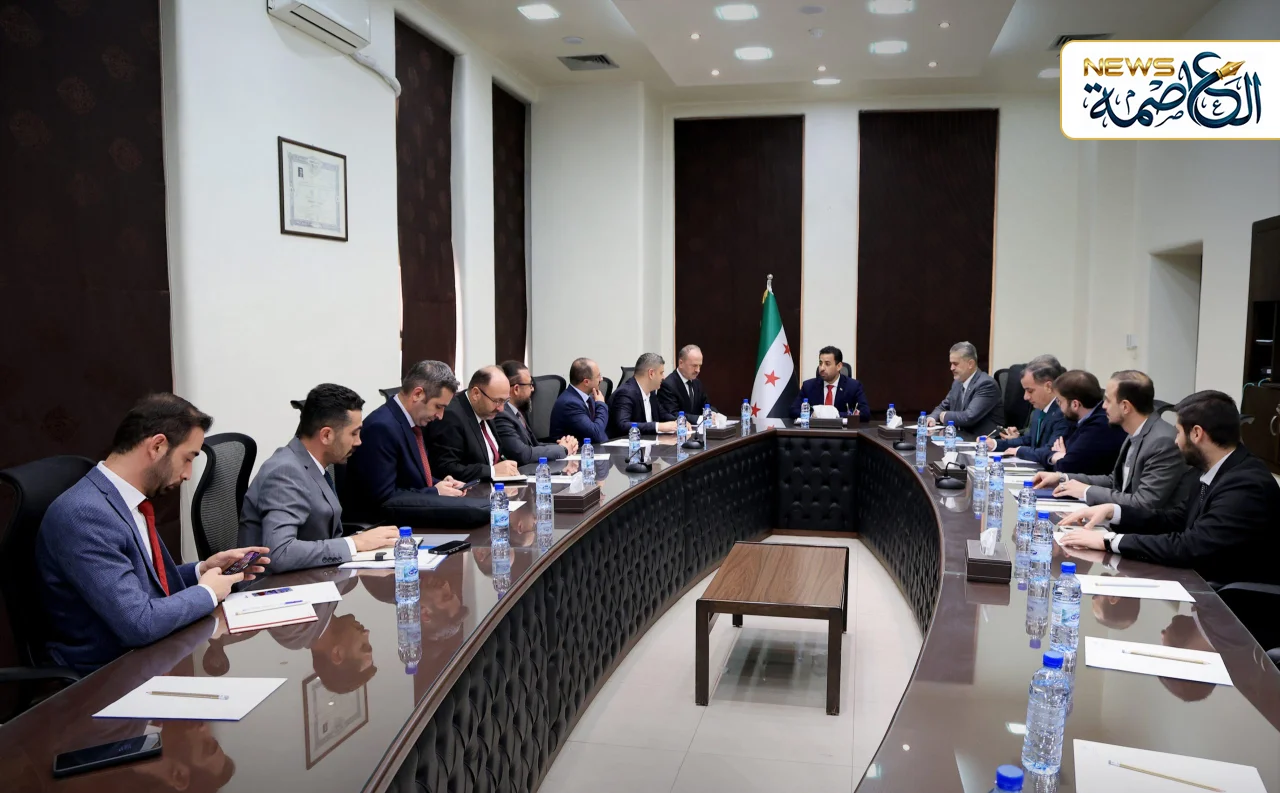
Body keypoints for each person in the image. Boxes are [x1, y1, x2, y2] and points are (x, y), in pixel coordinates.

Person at [36, 394, 269, 672]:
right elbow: (140, 624)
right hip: (108, 675)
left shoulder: (124, 500)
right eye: (188, 458)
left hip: (153, 655)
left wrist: (201, 570)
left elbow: (139, 581)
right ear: (157, 446)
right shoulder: (84, 515)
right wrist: (207, 592)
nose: (188, 474)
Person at [1059, 390, 1280, 586]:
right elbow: (1175, 519)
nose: (1175, 441)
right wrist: (1114, 511)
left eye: (1178, 432)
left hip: (1231, 601)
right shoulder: (1210, 469)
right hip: (1200, 583)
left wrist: (1109, 541)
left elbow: (1191, 546)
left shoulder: (1246, 484)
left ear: (1196, 433)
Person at [240, 384, 399, 573]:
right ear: (326, 435)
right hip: (273, 585)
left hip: (312, 576)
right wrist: (354, 543)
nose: (359, 441)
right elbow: (280, 553)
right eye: (353, 433)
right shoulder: (285, 472)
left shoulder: (311, 464)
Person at [343, 360, 487, 526]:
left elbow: (410, 478)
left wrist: (439, 484)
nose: (440, 416)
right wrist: (434, 492)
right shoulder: (381, 428)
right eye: (438, 406)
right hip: (383, 527)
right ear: (417, 394)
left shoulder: (411, 422)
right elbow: (383, 499)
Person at [1035, 370, 1188, 509]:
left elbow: (1144, 502)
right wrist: (1062, 478)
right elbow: (1115, 481)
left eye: (1108, 400)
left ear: (1125, 407)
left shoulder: (1161, 441)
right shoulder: (1135, 432)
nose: (1103, 406)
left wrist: (1086, 491)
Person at [426, 366, 522, 482]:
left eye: (505, 401)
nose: (501, 408)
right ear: (476, 393)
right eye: (497, 401)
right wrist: (492, 471)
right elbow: (445, 468)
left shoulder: (486, 411)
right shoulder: (451, 416)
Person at [1029, 370, 1125, 474]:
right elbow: (1056, 449)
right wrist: (1057, 455)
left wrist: (1056, 456)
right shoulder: (1076, 420)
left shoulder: (1099, 426)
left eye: (1059, 401)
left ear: (1075, 404)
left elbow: (1066, 467)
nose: (1058, 406)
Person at [493, 360, 578, 465]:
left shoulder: (517, 413)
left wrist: (565, 445)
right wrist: (563, 449)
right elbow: (523, 454)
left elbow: (534, 445)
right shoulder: (502, 415)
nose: (532, 389)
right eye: (530, 384)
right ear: (516, 389)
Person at [985, 355, 1069, 461]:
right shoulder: (1039, 409)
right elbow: (1029, 440)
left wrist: (1019, 451)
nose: (1025, 397)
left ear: (1048, 387)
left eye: (1030, 391)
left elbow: (1050, 451)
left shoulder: (1063, 412)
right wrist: (994, 444)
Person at [926, 341, 1005, 435]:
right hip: (962, 436)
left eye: (955, 364)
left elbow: (969, 417)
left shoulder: (986, 384)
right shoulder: (957, 383)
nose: (951, 368)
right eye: (951, 363)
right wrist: (932, 417)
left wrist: (945, 415)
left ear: (970, 364)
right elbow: (944, 406)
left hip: (983, 439)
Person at [608, 352, 678, 437]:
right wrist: (658, 426)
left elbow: (663, 414)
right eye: (661, 373)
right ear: (651, 373)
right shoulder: (626, 393)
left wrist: (678, 421)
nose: (663, 377)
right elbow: (623, 425)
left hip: (649, 441)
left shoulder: (651, 392)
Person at [790, 346, 870, 420]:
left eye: (827, 364)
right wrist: (812, 414)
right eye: (820, 363)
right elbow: (794, 410)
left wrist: (835, 415)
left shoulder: (854, 386)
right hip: (816, 429)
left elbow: (865, 413)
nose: (822, 368)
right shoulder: (808, 386)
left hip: (842, 430)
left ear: (839, 366)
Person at [550, 357, 611, 445]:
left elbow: (601, 432)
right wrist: (601, 404)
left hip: (592, 449)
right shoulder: (570, 403)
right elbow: (596, 434)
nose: (601, 379)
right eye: (598, 376)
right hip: (576, 451)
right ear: (586, 382)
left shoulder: (588, 398)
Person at [657, 344, 715, 418]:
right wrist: (700, 418)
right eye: (694, 366)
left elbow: (706, 405)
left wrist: (715, 414)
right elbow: (672, 414)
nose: (698, 370)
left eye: (700, 366)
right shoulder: (668, 385)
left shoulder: (697, 383)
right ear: (681, 363)